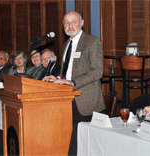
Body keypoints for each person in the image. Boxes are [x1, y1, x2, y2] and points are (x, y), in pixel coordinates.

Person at [42, 11, 105, 155]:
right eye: (66, 22)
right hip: (67, 99)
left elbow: (97, 72)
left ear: (82, 23)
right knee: (71, 142)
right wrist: (58, 79)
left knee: (86, 146)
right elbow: (68, 71)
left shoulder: (92, 42)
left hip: (86, 102)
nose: (70, 26)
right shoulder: (66, 44)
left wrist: (72, 82)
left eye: (74, 22)